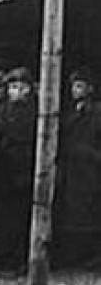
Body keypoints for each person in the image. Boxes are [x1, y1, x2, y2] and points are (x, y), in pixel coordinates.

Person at [56, 67, 101, 262]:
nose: (75, 90)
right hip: (73, 167)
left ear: (90, 89)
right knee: (74, 210)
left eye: (80, 86)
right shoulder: (69, 113)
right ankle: (78, 253)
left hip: (91, 167)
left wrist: (92, 154)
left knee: (92, 209)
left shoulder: (97, 113)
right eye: (73, 86)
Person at [0, 67, 37, 269]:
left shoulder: (35, 111)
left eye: (21, 87)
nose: (16, 92)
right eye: (12, 87)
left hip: (25, 167)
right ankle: (7, 254)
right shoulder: (3, 108)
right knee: (6, 213)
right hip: (5, 168)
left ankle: (23, 256)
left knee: (23, 214)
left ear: (29, 89)